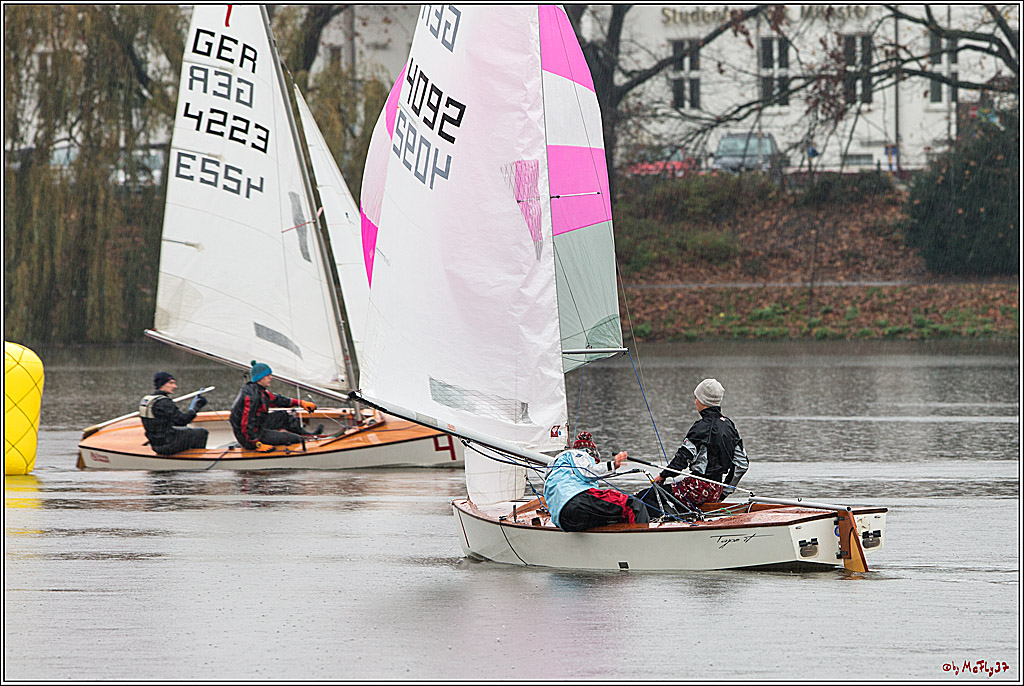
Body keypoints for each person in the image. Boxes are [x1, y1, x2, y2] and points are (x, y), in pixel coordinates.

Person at [640, 378, 749, 512]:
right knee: (665, 497)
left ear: (703, 401)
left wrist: (663, 475)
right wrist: (724, 492)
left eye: (696, 398)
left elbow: (683, 458)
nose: (695, 401)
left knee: (645, 497)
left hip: (696, 490)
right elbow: (742, 464)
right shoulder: (729, 425)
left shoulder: (700, 428)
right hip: (716, 491)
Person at [543, 431, 650, 532]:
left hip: (563, 520)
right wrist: (613, 465)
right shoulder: (577, 454)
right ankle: (644, 544)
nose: (595, 464)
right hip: (576, 502)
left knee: (614, 518)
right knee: (634, 505)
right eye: (595, 462)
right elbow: (587, 471)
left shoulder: (553, 469)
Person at [229, 361, 321, 452]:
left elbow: (278, 400)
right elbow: (246, 425)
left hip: (258, 426)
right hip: (248, 437)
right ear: (259, 378)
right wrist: (257, 444)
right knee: (295, 439)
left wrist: (301, 403)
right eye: (267, 375)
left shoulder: (260, 391)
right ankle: (300, 438)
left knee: (283, 416)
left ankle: (309, 436)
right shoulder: (252, 397)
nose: (271, 377)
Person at [139, 371, 209, 455]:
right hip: (167, 445)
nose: (175, 386)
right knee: (202, 433)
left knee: (186, 430)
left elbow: (172, 422)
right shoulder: (164, 402)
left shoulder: (147, 400)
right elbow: (182, 421)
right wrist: (196, 408)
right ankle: (196, 459)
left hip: (155, 444)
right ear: (161, 384)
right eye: (171, 383)